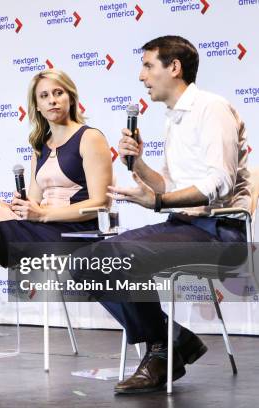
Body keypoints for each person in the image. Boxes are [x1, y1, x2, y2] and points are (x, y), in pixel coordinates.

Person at [69, 35, 250, 394]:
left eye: (148, 65)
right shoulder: (175, 118)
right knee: (83, 264)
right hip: (186, 224)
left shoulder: (211, 109)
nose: (141, 76)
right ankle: (171, 341)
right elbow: (168, 185)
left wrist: (156, 202)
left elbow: (219, 182)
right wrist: (139, 165)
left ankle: (165, 348)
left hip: (220, 232)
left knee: (113, 256)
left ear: (175, 67)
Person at [0, 69, 113, 375]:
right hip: (46, 228)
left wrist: (43, 213)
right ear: (37, 106)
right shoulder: (40, 145)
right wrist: (28, 208)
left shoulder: (89, 138)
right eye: (44, 96)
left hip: (76, 235)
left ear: (70, 97)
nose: (52, 100)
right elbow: (35, 201)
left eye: (58, 93)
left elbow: (99, 204)